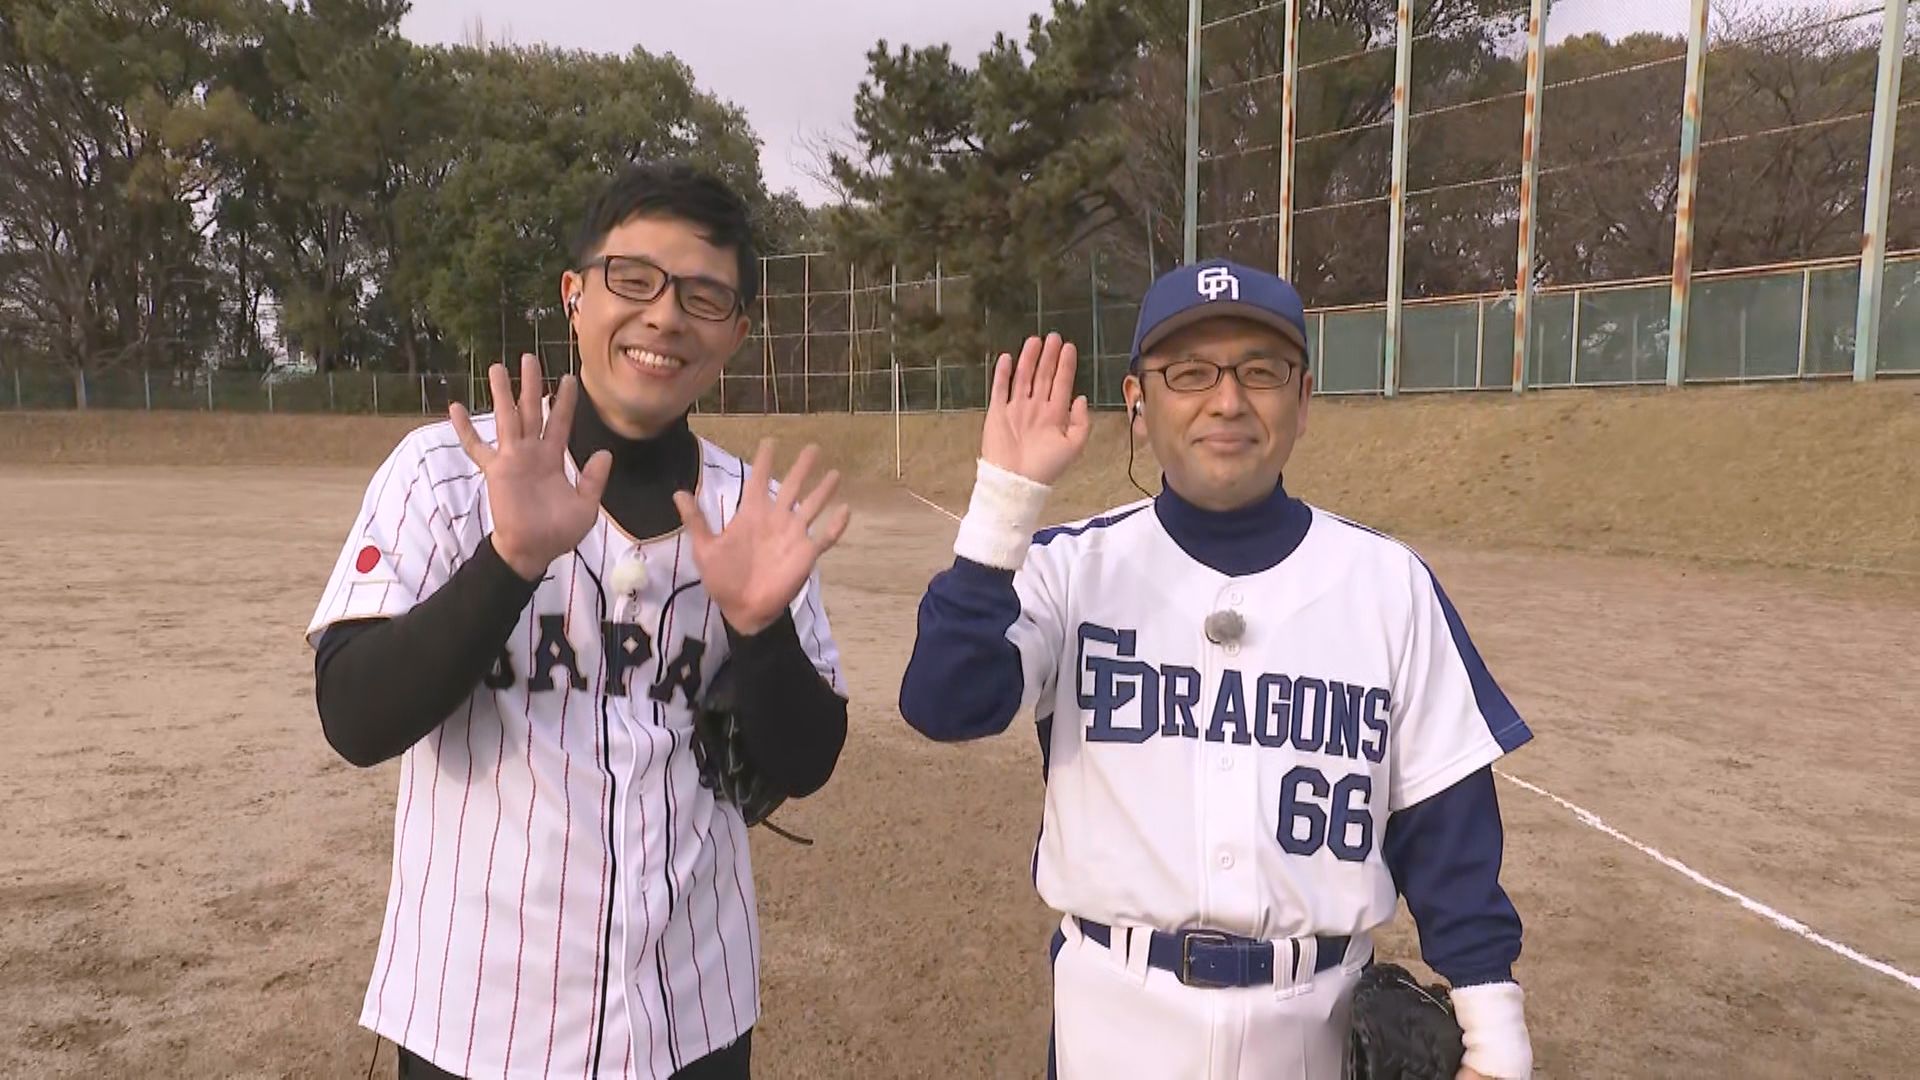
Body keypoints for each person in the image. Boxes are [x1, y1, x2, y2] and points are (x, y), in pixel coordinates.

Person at [897, 259, 1536, 1080]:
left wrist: (1498, 1042)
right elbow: (944, 701)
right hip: (1113, 1020)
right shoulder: (1066, 570)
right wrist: (1002, 507)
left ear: (1302, 402)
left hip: (1318, 1023)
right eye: (1189, 372)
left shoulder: (1387, 585)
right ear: (1138, 404)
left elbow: (1450, 834)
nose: (1227, 401)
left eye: (1261, 372)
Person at [307, 162, 852, 1080]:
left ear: (737, 333)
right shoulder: (446, 472)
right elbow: (355, 718)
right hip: (477, 1018)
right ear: (575, 295)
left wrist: (758, 628)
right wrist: (509, 560)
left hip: (695, 1011)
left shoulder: (748, 511)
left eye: (704, 296)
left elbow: (806, 759)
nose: (665, 315)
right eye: (632, 279)